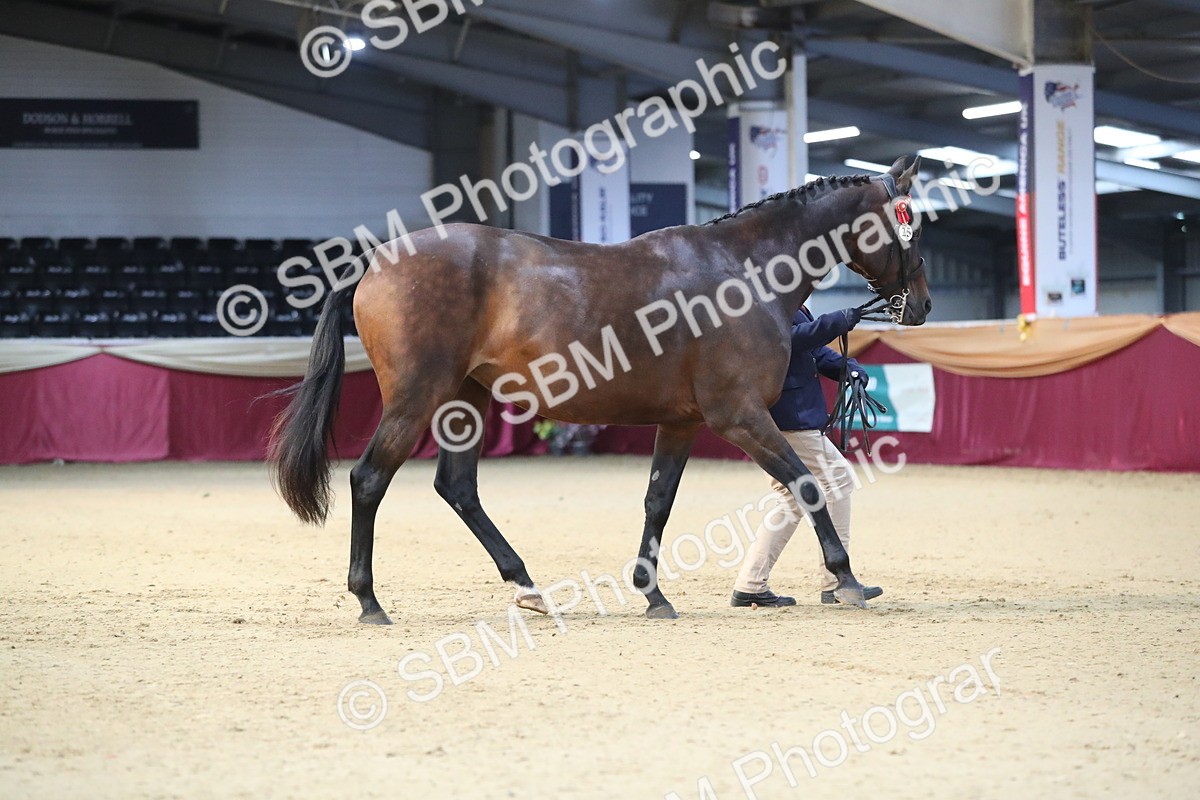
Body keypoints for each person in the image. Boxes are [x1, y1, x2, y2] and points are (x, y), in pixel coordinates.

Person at [731, 305, 884, 608]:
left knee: (790, 498)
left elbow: (812, 350)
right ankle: (836, 580)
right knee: (838, 480)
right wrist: (836, 321)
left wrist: (847, 367)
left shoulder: (794, 302)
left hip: (780, 418)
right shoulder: (764, 298)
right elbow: (786, 339)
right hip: (789, 418)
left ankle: (750, 585)